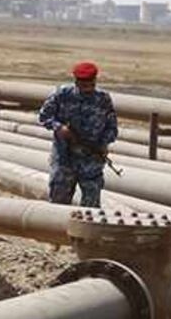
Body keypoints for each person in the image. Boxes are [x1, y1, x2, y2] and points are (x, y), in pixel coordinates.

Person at [37, 61, 119, 208]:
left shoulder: (103, 99)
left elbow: (112, 128)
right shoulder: (62, 95)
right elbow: (44, 117)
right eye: (83, 84)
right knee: (58, 204)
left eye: (90, 83)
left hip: (91, 161)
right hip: (64, 159)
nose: (87, 87)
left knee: (91, 206)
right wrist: (59, 128)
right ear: (76, 81)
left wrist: (104, 143)